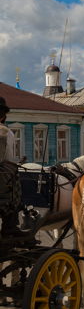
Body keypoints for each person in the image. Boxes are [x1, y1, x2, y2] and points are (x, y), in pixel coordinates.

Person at [0, 96, 27, 238]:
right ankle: (10, 225)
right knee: (15, 187)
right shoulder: (6, 132)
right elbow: (8, 159)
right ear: (3, 116)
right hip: (2, 181)